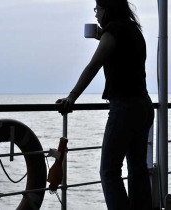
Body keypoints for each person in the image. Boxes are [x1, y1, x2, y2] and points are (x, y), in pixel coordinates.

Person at [56, 0, 154, 209]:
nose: (95, 14)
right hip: (143, 105)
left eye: (97, 9)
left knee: (109, 170)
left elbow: (93, 65)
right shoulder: (132, 29)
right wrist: (103, 36)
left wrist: (72, 97)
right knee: (137, 170)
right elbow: (123, 54)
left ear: (107, 9)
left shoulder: (114, 30)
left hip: (125, 106)